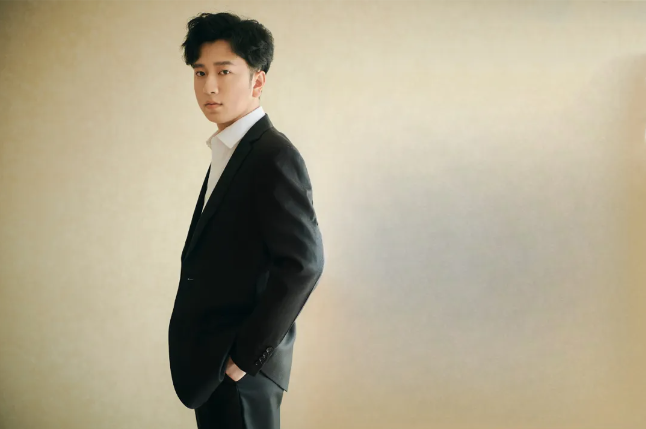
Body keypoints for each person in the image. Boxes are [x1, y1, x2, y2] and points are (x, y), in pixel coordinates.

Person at [167, 12, 325, 429]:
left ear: (258, 81)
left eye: (224, 71)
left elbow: (303, 264)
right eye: (200, 72)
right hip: (214, 367)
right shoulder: (232, 148)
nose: (209, 86)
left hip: (240, 373)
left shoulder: (272, 155)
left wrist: (243, 359)